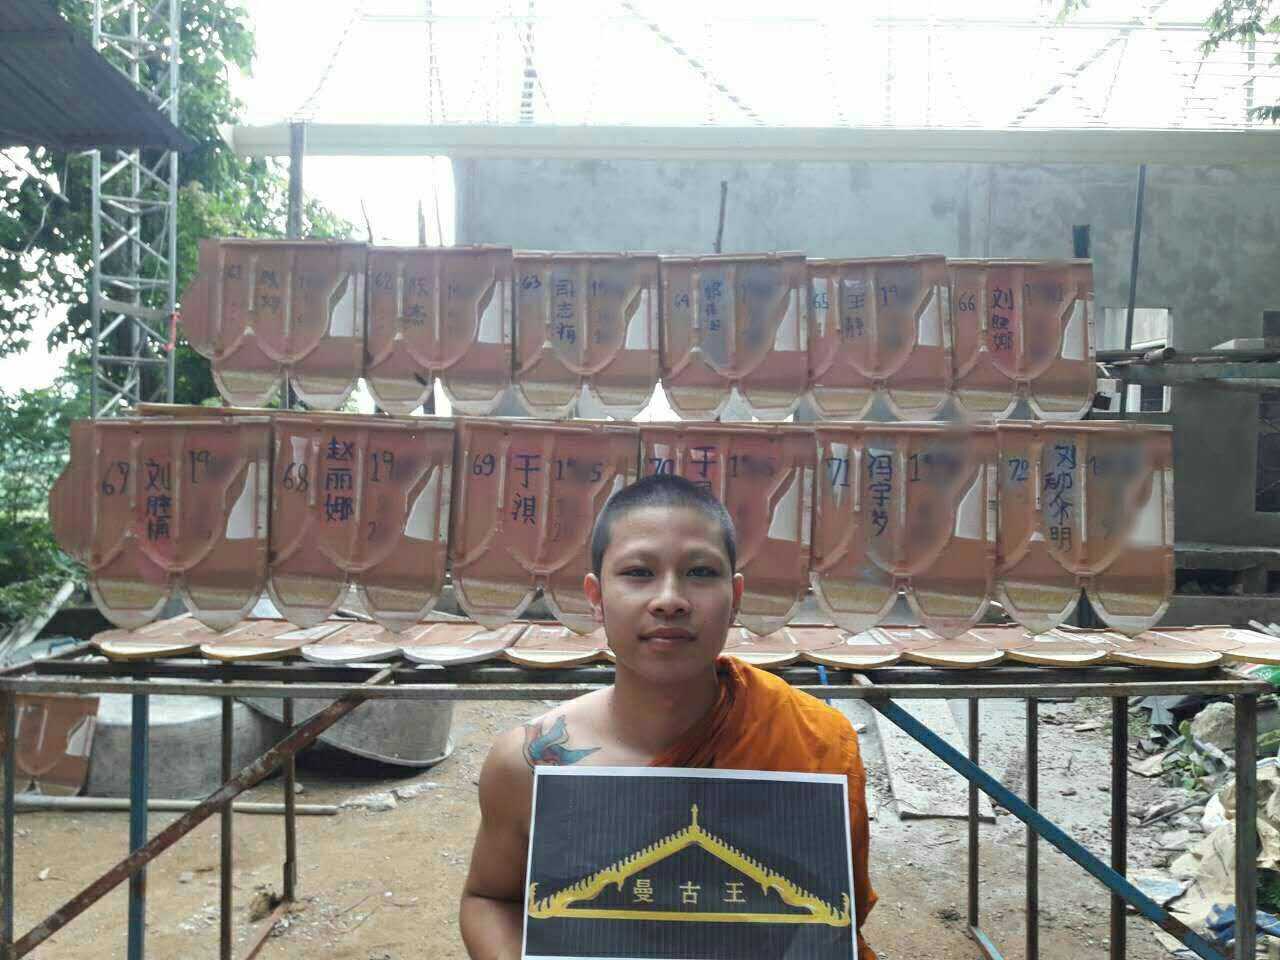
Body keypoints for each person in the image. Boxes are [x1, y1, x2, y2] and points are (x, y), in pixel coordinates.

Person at [459, 473, 877, 959]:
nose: (670, 600)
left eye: (700, 572)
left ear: (736, 597)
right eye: (639, 572)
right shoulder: (529, 763)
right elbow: (489, 899)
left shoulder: (813, 743)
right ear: (596, 598)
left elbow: (834, 918)